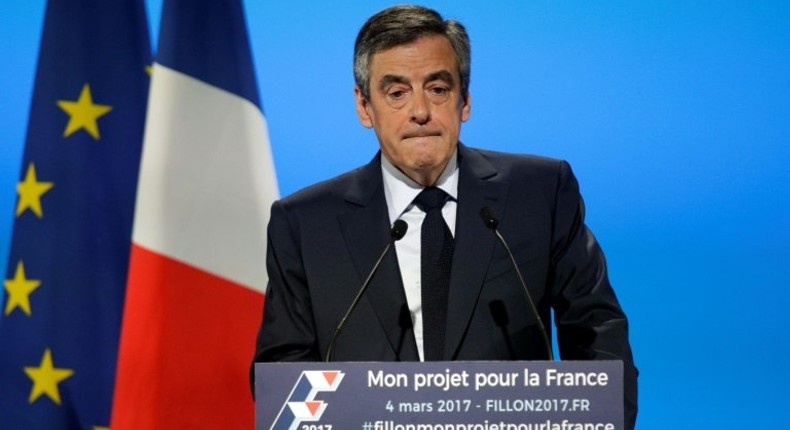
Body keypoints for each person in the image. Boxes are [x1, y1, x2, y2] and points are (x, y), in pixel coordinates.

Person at [252, 5, 637, 428]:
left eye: (437, 88)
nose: (420, 111)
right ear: (364, 106)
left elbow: (598, 333)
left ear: (465, 100)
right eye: (396, 92)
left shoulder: (541, 194)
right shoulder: (306, 224)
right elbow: (284, 370)